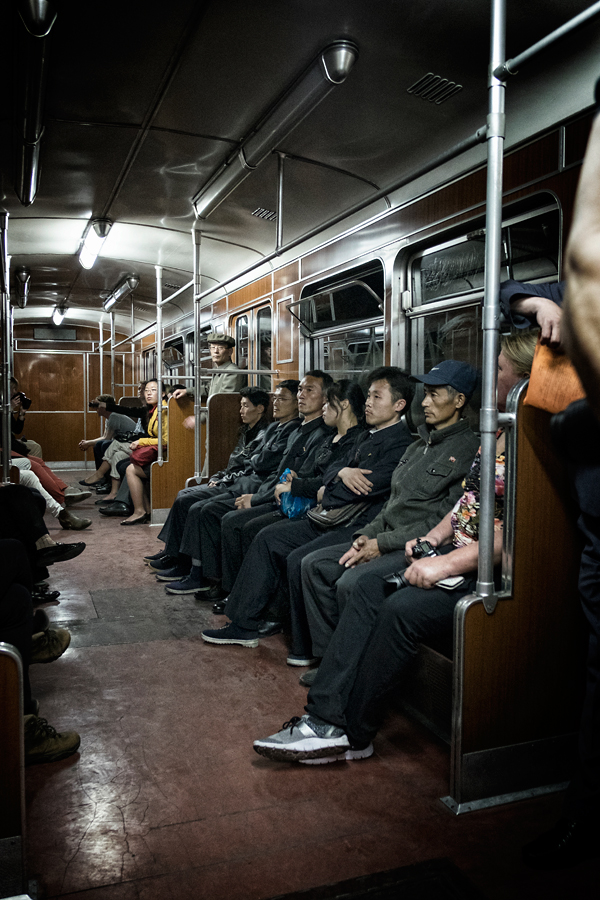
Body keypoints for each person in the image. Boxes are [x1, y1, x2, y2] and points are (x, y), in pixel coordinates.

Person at [252, 334, 536, 764]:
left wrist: (443, 562)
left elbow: (511, 530)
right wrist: (433, 541)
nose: (424, 400)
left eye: (500, 370)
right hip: (450, 549)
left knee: (393, 606)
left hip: (481, 568)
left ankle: (352, 729)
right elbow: (465, 505)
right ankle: (324, 717)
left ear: (523, 380)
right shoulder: (490, 435)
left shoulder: (528, 444)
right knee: (363, 587)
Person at [291, 360, 481, 677]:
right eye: (425, 395)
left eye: (434, 395)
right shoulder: (419, 445)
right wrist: (365, 536)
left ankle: (348, 670)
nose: (425, 402)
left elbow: (440, 521)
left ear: (459, 400)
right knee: (315, 565)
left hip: (412, 545)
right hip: (383, 534)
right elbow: (391, 505)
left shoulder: (468, 450)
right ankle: (331, 661)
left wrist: (381, 543)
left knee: (352, 582)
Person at [200, 370, 414, 649]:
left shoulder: (400, 444)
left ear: (399, 405)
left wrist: (330, 486)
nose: (368, 403)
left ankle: (295, 641)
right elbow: (333, 469)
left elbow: (361, 488)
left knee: (293, 554)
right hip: (332, 513)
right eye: (368, 396)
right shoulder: (368, 436)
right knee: (266, 537)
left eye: (376, 396)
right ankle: (245, 622)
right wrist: (343, 472)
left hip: (354, 522)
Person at [190, 370, 333, 600]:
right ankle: (228, 586)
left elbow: (292, 478)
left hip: (290, 501)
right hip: (273, 492)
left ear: (326, 398)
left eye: (309, 390)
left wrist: (256, 499)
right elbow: (276, 472)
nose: (301, 396)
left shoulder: (320, 433)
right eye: (300, 390)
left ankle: (238, 592)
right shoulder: (297, 430)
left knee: (236, 522)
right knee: (217, 512)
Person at [150, 386, 270, 592]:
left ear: (260, 409)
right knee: (183, 494)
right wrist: (219, 476)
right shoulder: (246, 431)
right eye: (240, 405)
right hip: (230, 480)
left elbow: (248, 468)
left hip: (240, 485)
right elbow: (234, 464)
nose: (241, 410)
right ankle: (176, 555)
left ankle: (191, 567)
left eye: (245, 406)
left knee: (192, 503)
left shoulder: (264, 434)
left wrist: (224, 479)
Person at [120, 381, 169, 525]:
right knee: (131, 466)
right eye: (146, 390)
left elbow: (165, 441)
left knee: (131, 470)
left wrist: (141, 442)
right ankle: (146, 510)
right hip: (159, 453)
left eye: (153, 390)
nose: (148, 393)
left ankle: (139, 511)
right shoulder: (155, 410)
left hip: (167, 457)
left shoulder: (164, 410)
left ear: (163, 393)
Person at [10, 376, 43, 457]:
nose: (14, 392)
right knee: (35, 448)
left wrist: (21, 413)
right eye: (12, 389)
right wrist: (9, 408)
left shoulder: (7, 408)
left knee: (33, 444)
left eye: (15, 389)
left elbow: (17, 430)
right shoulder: (3, 408)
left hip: (10, 441)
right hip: (6, 444)